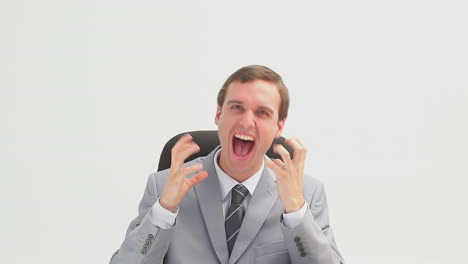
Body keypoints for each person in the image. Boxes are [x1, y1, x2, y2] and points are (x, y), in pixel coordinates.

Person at [110, 65, 344, 264]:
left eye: (262, 113)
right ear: (219, 114)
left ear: (279, 127)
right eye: (237, 108)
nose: (246, 121)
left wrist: (296, 213)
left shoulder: (307, 193)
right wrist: (163, 212)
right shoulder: (164, 185)